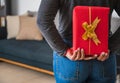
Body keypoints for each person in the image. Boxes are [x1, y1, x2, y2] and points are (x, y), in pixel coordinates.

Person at [37, 0, 120, 83]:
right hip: (103, 55)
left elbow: (43, 21)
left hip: (71, 55)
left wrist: (64, 51)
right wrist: (110, 46)